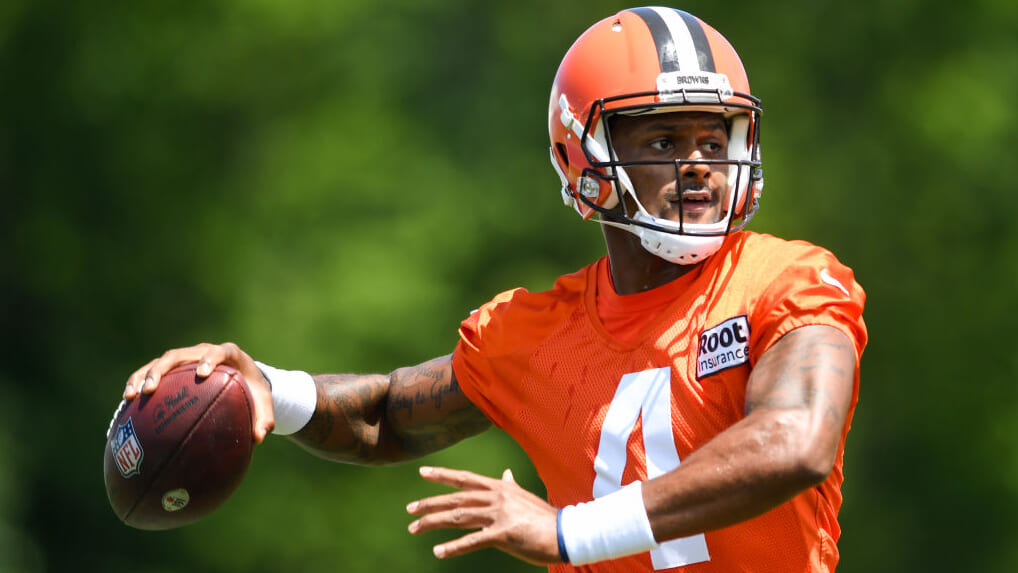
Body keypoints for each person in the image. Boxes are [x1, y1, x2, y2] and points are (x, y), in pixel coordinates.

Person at [124, 6, 866, 572]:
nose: (701, 164)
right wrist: (267, 390)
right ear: (585, 157)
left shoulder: (791, 281)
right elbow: (388, 415)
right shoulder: (537, 333)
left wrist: (569, 530)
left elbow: (795, 442)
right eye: (665, 140)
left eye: (716, 138)